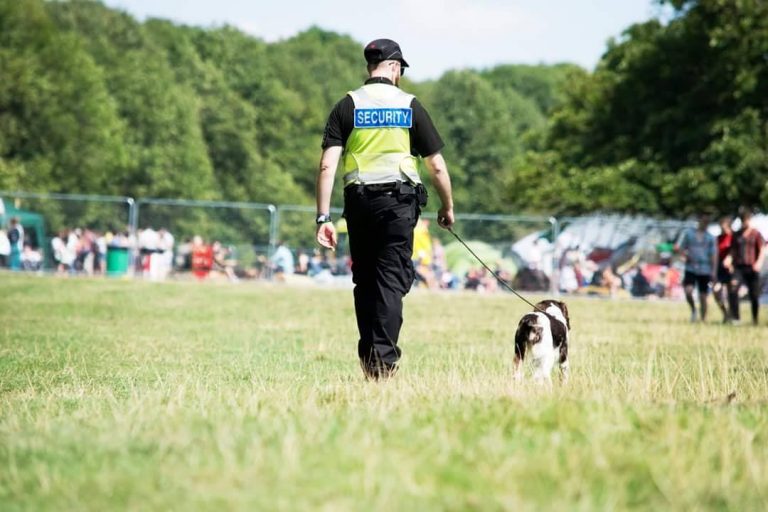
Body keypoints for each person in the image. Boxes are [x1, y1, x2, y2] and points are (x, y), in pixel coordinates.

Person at [315, 38, 454, 380]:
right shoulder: (410, 105)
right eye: (402, 69)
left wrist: (323, 217)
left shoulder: (347, 105)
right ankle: (384, 364)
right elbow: (436, 166)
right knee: (391, 280)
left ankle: (369, 360)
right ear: (394, 67)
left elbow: (326, 166)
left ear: (369, 67)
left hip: (359, 203)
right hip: (398, 204)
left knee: (364, 280)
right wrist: (447, 207)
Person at [675, 214, 717, 322]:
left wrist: (713, 271)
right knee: (688, 291)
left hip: (705, 269)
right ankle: (694, 310)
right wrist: (684, 256)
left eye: (708, 221)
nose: (705, 223)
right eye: (704, 220)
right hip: (691, 268)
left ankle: (703, 319)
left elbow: (713, 256)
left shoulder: (710, 238)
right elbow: (680, 249)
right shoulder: (689, 234)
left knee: (703, 296)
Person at [728, 209, 765, 325]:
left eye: (747, 220)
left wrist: (759, 263)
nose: (745, 222)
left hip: (752, 267)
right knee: (733, 288)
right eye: (743, 220)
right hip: (739, 267)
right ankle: (736, 318)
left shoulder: (756, 234)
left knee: (754, 295)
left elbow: (762, 249)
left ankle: (755, 319)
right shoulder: (737, 234)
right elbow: (733, 250)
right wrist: (729, 260)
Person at [713, 215, 734, 322]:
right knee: (716, 291)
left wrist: (732, 263)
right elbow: (716, 255)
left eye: (724, 226)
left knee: (731, 293)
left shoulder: (734, 237)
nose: (722, 229)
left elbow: (736, 252)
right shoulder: (718, 238)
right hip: (720, 268)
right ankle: (725, 313)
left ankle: (731, 315)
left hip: (732, 268)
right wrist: (714, 271)